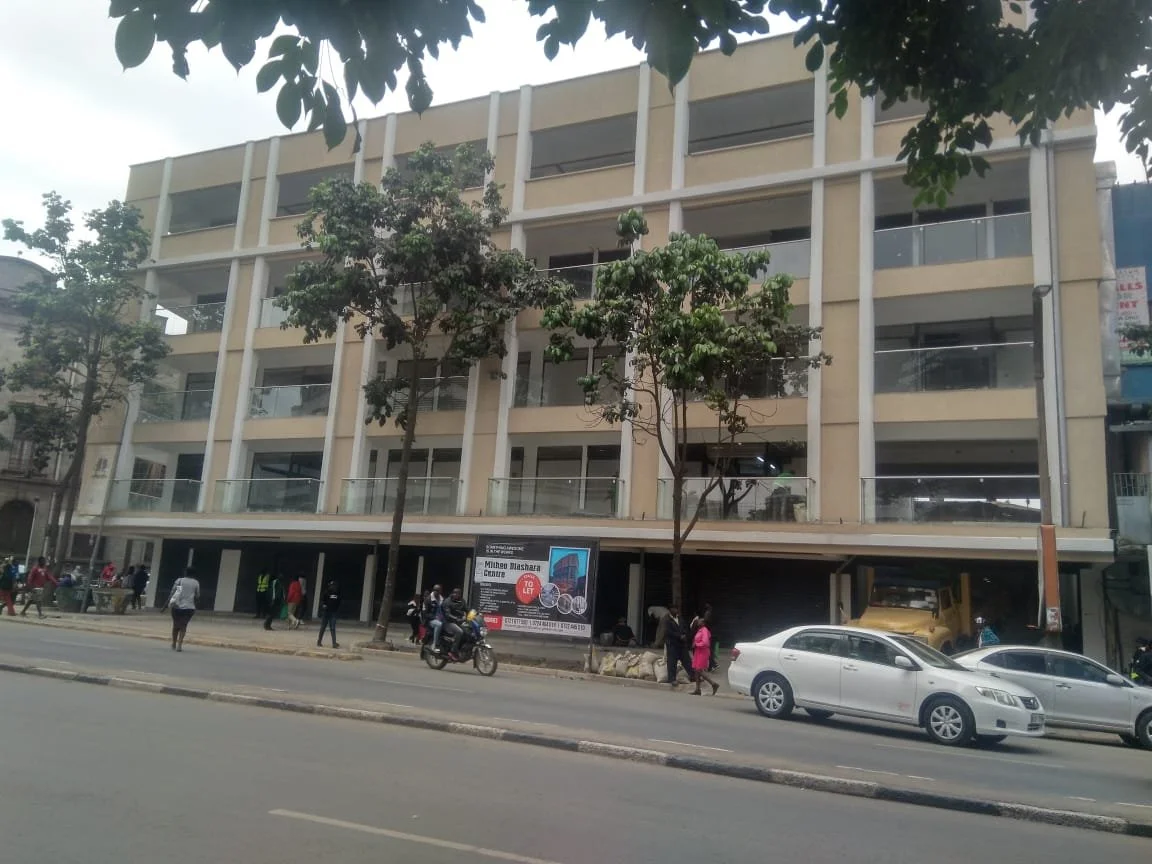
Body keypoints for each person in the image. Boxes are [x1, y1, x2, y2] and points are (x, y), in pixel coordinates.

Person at [164, 567, 200, 651]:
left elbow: (173, 592)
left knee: (176, 625)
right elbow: (197, 595)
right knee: (183, 625)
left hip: (177, 606)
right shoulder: (196, 583)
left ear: (185, 573)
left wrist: (166, 604)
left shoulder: (179, 580)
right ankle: (180, 644)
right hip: (189, 607)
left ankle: (173, 643)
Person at [662, 605, 694, 686]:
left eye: (676, 609)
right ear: (670, 610)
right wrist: (679, 636)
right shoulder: (667, 620)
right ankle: (672, 679)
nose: (675, 610)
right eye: (673, 609)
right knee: (672, 662)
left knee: (687, 661)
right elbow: (668, 632)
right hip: (672, 644)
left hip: (682, 644)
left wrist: (684, 635)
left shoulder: (680, 618)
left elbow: (685, 628)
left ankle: (693, 676)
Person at [691, 618, 720, 696]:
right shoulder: (699, 630)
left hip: (703, 652)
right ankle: (697, 689)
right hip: (698, 651)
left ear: (703, 623)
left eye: (700, 621)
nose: (698, 622)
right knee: (696, 670)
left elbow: (705, 642)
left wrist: (696, 644)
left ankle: (713, 684)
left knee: (699, 670)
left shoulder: (704, 630)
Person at [441, 587, 467, 660]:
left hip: (460, 621)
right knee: (460, 632)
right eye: (454, 593)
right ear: (452, 593)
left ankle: (462, 648)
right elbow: (447, 614)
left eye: (458, 593)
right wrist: (456, 618)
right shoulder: (447, 601)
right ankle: (453, 651)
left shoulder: (462, 601)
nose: (456, 594)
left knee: (468, 631)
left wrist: (474, 613)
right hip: (448, 622)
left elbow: (467, 609)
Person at [317, 580, 341, 648]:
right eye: (331, 586)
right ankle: (319, 641)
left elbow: (339, 602)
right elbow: (322, 600)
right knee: (324, 627)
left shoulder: (337, 594)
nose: (332, 587)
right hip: (327, 612)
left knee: (331, 628)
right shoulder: (326, 592)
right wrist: (323, 605)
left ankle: (333, 643)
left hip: (332, 612)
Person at [423, 584, 445, 650]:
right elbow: (425, 614)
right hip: (430, 620)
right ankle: (434, 644)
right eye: (435, 590)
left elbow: (445, 609)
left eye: (438, 590)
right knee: (439, 624)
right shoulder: (428, 599)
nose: (436, 591)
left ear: (440, 591)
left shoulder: (442, 599)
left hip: (441, 618)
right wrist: (435, 617)